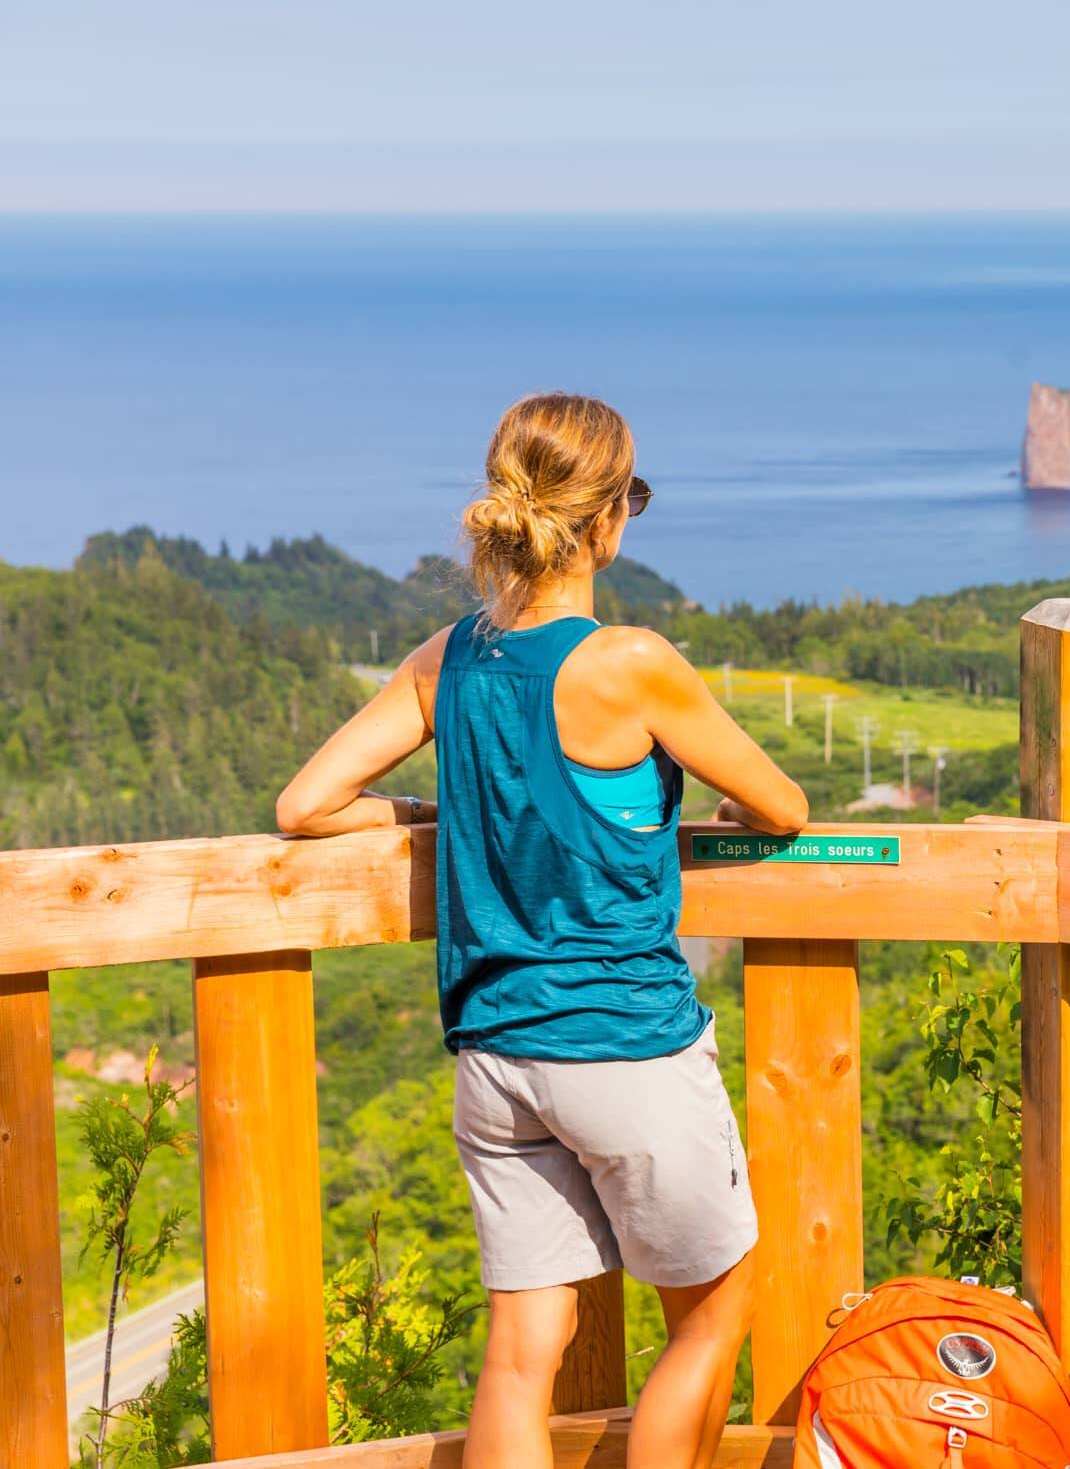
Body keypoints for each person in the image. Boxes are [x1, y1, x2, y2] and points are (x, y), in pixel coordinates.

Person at [276, 393, 808, 1469]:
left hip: (496, 1058)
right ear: (609, 520)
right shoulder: (630, 664)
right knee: (710, 1317)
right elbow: (782, 807)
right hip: (626, 1046)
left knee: (524, 1349)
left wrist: (440, 811)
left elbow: (306, 807)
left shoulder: (447, 660)